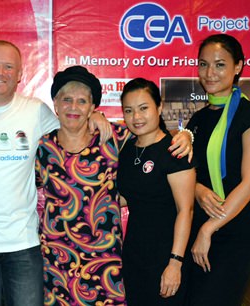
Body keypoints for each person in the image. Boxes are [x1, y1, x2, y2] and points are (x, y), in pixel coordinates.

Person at [0, 41, 112, 306]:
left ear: (20, 74)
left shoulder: (36, 111)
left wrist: (94, 116)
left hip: (23, 243)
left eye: (8, 66)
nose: (0, 72)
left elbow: (72, 128)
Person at [35, 66, 193, 305]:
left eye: (82, 101)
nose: (73, 107)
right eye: (66, 99)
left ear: (92, 107)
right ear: (55, 104)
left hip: (105, 261)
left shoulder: (112, 137)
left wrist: (186, 135)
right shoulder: (43, 147)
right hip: (59, 260)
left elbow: (154, 137)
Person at [185, 34, 250, 306]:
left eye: (220, 64)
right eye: (204, 64)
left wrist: (208, 229)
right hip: (201, 220)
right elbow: (189, 174)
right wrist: (199, 191)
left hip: (237, 226)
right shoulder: (198, 119)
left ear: (238, 67)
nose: (210, 73)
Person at [116, 78, 196, 305]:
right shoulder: (127, 150)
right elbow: (127, 196)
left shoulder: (174, 150)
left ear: (159, 108)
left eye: (144, 108)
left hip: (167, 254)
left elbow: (185, 210)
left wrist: (175, 263)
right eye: (129, 111)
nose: (136, 117)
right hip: (135, 254)